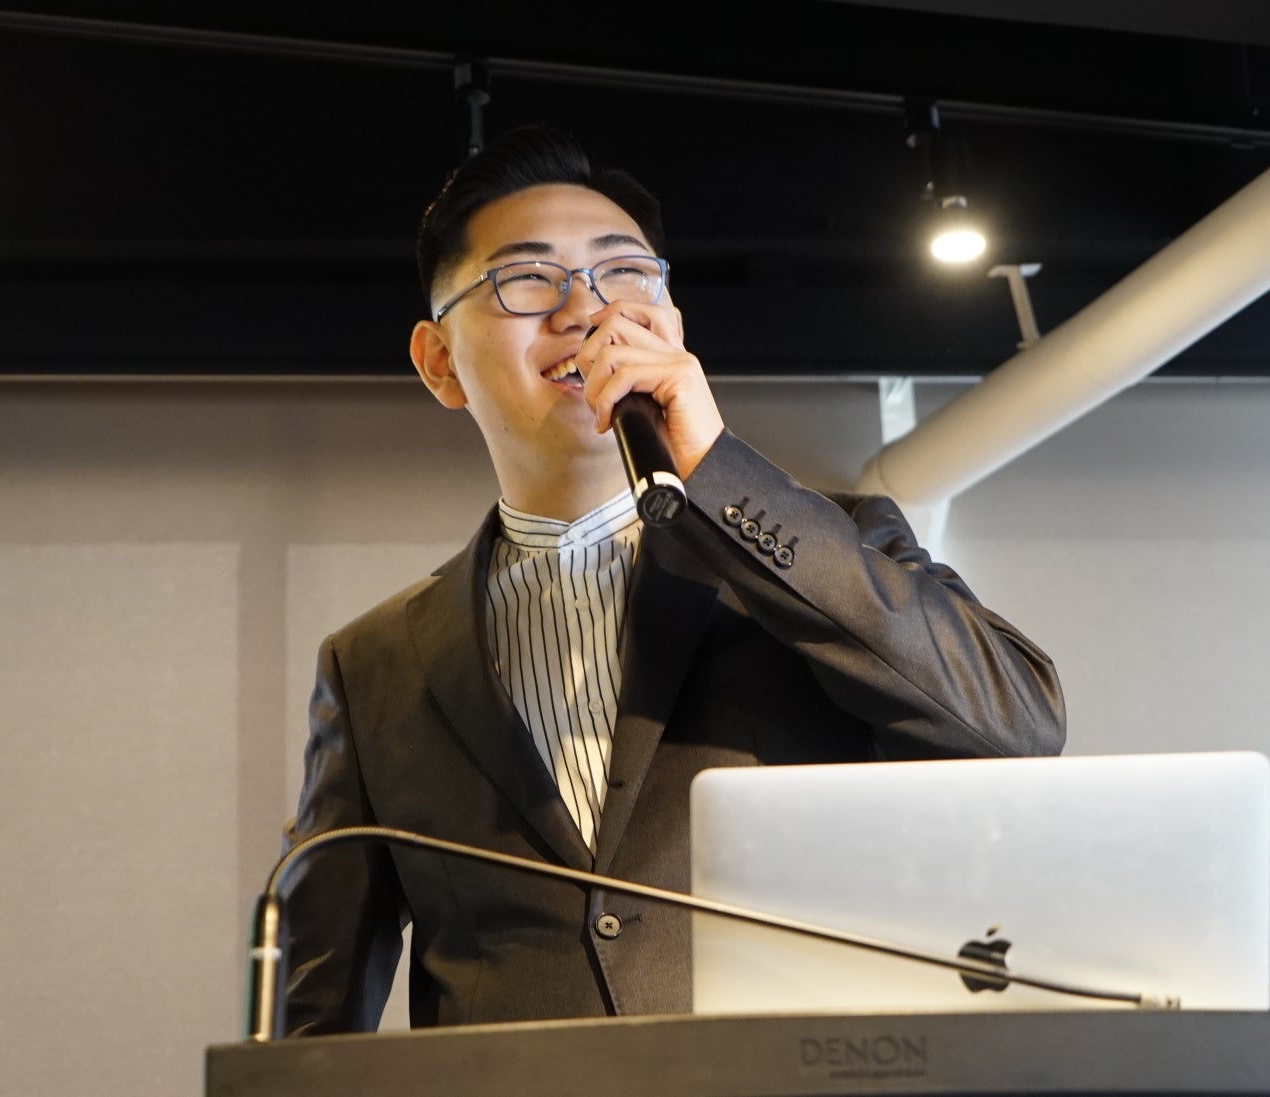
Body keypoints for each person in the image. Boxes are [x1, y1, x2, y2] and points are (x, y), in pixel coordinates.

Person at [281, 124, 1064, 1035]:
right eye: (527, 278)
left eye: (623, 272)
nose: (586, 309)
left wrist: (716, 471)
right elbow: (313, 1028)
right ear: (439, 362)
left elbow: (1015, 724)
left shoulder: (828, 544)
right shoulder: (372, 667)